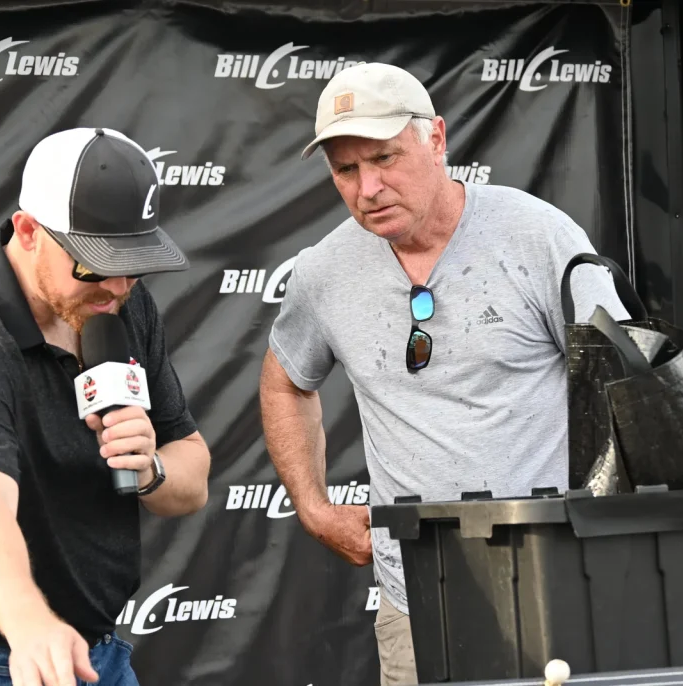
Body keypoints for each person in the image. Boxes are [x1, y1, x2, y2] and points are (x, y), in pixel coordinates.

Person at [258, 63, 630, 685]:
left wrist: (607, 540)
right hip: (415, 605)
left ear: (436, 138)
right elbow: (285, 382)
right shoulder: (324, 272)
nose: (368, 187)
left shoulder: (538, 236)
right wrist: (314, 507)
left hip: (559, 586)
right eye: (346, 170)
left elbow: (627, 387)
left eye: (385, 158)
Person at [0, 127, 211, 686]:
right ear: (28, 232)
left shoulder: (125, 303)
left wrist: (151, 469)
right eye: (94, 264)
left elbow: (192, 478)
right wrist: (31, 625)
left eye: (134, 263)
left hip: (95, 649)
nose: (117, 286)